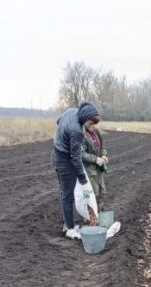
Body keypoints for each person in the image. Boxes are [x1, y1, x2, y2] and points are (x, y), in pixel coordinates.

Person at [51, 102, 100, 239]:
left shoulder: (71, 111)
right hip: (64, 161)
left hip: (56, 155)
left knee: (64, 193)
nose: (92, 127)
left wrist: (62, 135)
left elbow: (58, 121)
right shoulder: (77, 131)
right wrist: (83, 180)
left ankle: (67, 223)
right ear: (84, 117)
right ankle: (70, 229)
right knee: (68, 195)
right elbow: (76, 159)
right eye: (90, 124)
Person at [82, 124, 109, 213]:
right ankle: (90, 217)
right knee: (91, 194)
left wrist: (104, 155)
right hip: (88, 170)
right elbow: (81, 154)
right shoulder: (82, 135)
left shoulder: (96, 132)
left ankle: (100, 213)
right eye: (90, 123)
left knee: (102, 192)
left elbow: (102, 146)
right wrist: (95, 159)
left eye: (94, 123)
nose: (92, 126)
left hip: (99, 167)